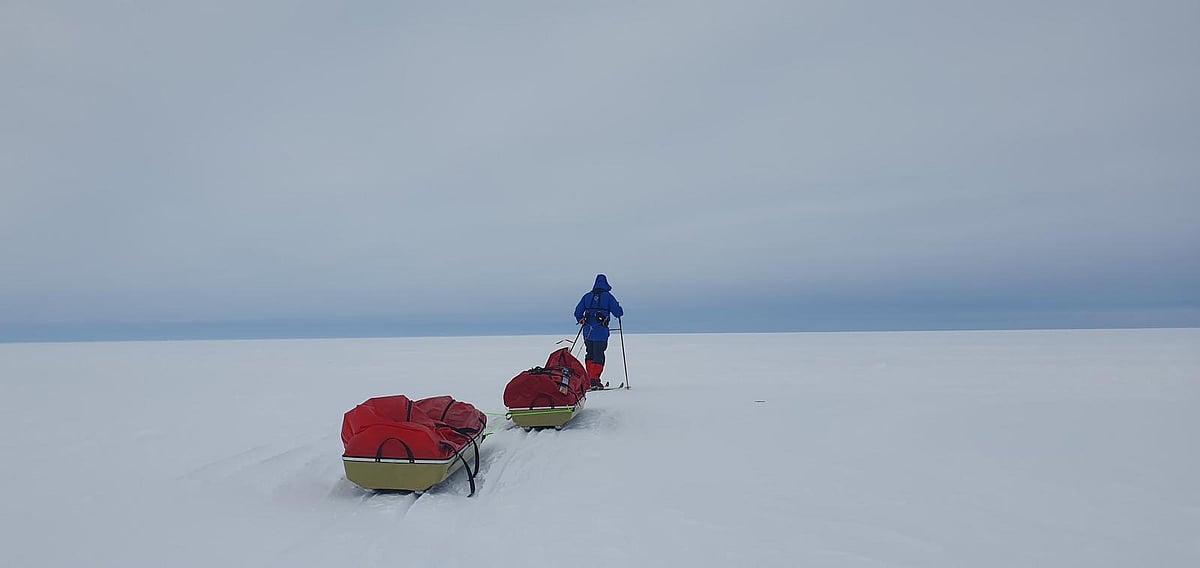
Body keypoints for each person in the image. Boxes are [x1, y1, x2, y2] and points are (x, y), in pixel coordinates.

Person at [574, 274, 624, 390]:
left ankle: (590, 379)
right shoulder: (608, 297)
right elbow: (618, 313)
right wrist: (619, 309)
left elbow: (577, 312)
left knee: (590, 354)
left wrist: (580, 319)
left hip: (587, 332)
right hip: (601, 332)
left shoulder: (587, 297)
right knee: (599, 355)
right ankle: (595, 380)